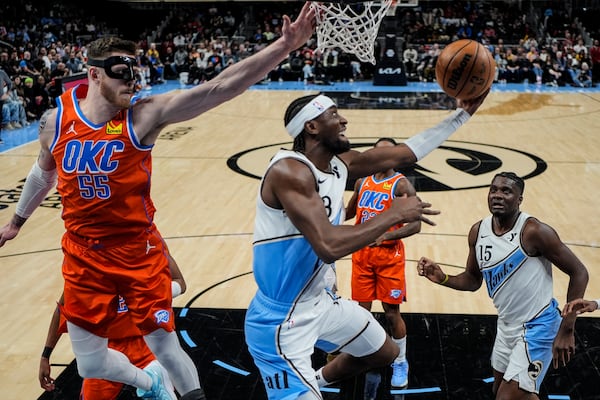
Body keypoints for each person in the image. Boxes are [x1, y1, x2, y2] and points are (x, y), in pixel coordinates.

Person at [0, 4, 316, 400]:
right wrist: (16, 222)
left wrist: (284, 47)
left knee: (166, 347)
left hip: (137, 250)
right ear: (94, 75)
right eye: (122, 70)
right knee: (90, 365)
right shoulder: (55, 122)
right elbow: (42, 172)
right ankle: (147, 382)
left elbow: (219, 88)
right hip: (81, 254)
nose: (133, 79)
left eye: (136, 69)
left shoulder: (143, 117)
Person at [244, 90, 488, 400]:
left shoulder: (339, 164)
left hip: (320, 301)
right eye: (334, 114)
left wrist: (462, 114)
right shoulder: (289, 171)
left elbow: (404, 154)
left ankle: (315, 380)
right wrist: (392, 214)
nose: (344, 119)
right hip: (281, 319)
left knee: (383, 353)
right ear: (312, 127)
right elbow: (328, 246)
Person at [417, 172, 589, 400]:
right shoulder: (478, 231)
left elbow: (579, 272)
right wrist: (443, 278)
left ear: (520, 199)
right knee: (500, 391)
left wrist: (567, 328)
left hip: (538, 326)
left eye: (506, 191)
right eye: (493, 189)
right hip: (506, 325)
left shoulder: (534, 232)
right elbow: (472, 280)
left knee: (506, 398)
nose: (497, 195)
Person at [39, 253, 185, 399]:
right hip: (106, 348)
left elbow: (180, 282)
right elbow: (62, 309)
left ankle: (157, 382)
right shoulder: (86, 263)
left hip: (146, 342)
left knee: (163, 392)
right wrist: (45, 355)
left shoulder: (144, 245)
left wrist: (154, 293)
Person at [345, 137, 420, 391]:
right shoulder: (361, 181)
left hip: (389, 258)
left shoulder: (400, 184)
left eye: (385, 153)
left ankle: (400, 361)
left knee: (391, 313)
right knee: (361, 313)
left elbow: (416, 223)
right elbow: (349, 212)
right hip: (362, 255)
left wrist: (387, 235)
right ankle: (365, 354)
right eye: (376, 153)